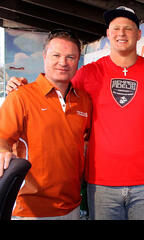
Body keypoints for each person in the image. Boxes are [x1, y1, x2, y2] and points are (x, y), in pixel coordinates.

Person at [6, 6, 144, 220]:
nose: (121, 33)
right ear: (108, 34)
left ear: (139, 34)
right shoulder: (88, 73)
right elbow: (55, 86)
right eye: (116, 28)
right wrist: (20, 86)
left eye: (128, 28)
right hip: (101, 183)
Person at [0, 30, 92, 219]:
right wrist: (2, 151)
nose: (63, 62)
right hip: (31, 210)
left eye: (70, 57)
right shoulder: (21, 96)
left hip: (72, 206)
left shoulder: (84, 100)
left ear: (77, 61)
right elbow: (2, 138)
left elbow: (85, 142)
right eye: (56, 55)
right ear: (45, 57)